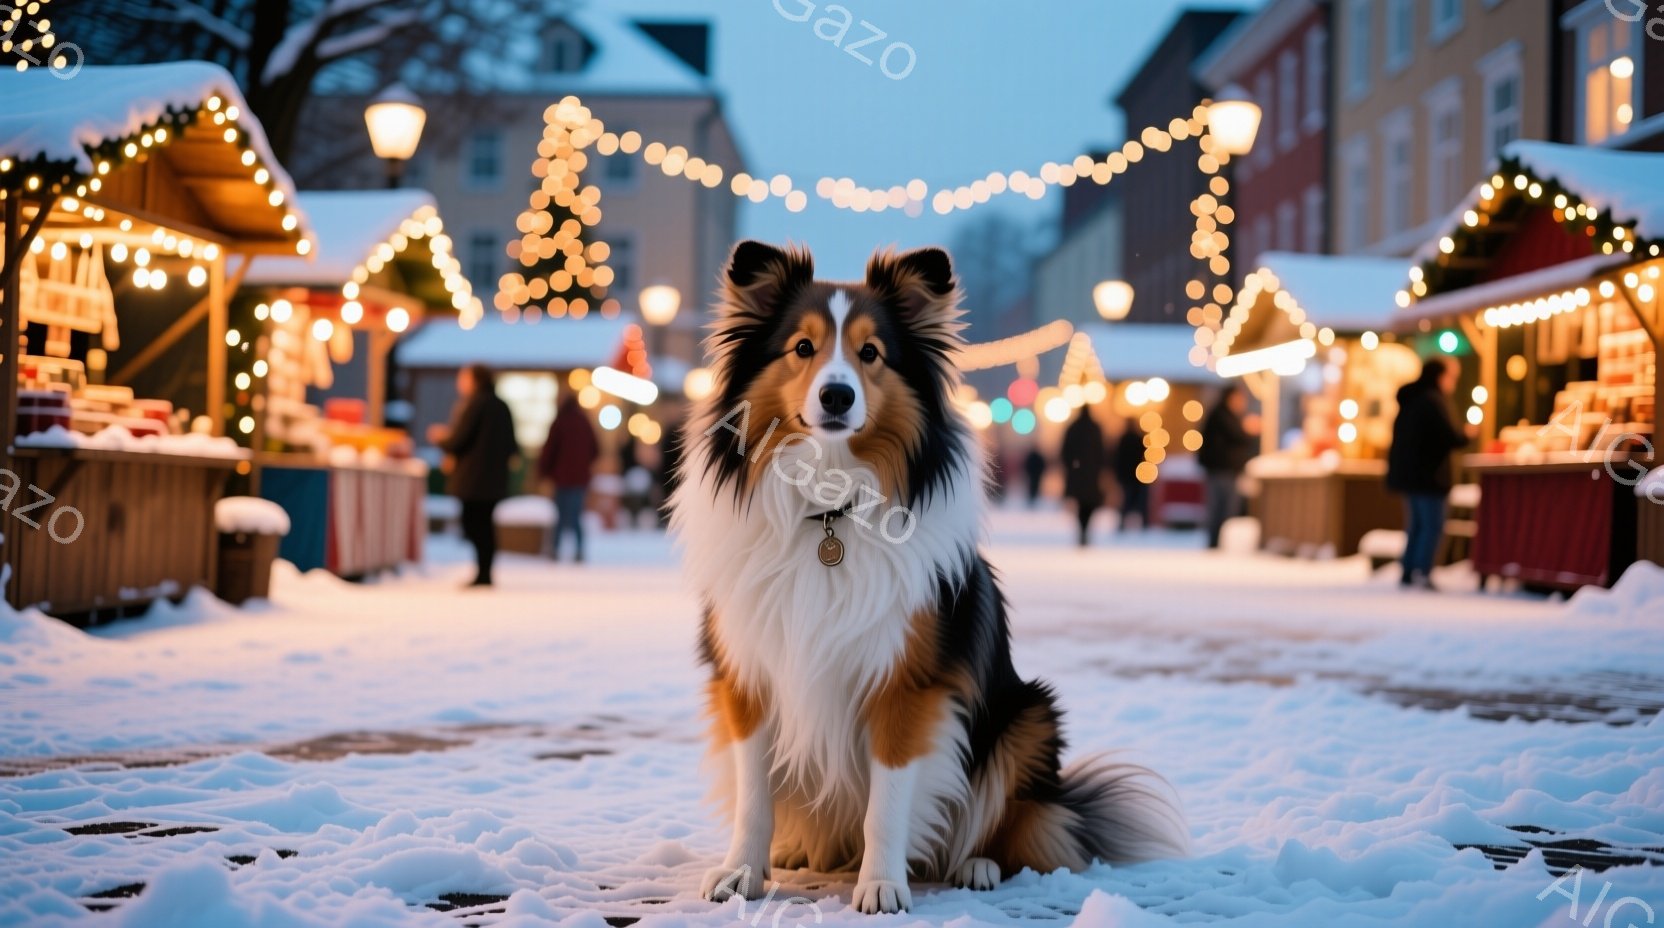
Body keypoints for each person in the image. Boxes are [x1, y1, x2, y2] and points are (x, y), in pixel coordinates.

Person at [1387, 356, 1474, 590]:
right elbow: (1449, 436)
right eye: (1451, 377)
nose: (1453, 382)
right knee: (1431, 526)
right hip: (1430, 476)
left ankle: (1408, 570)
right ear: (1440, 376)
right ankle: (1422, 572)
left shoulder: (1411, 399)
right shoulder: (1433, 401)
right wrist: (1467, 434)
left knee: (1416, 525)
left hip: (1410, 475)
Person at [430, 364, 518, 587]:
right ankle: (485, 572)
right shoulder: (502, 406)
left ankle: (483, 573)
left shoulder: (475, 404)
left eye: (463, 378)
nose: (460, 383)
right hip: (494, 479)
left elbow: (459, 440)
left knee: (474, 524)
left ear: (474, 380)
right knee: (485, 524)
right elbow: (512, 445)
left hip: (474, 479)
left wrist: (441, 439)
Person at [537, 393, 599, 562]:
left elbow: (549, 450)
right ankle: (579, 550)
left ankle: (555, 549)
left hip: (561, 477)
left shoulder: (559, 422)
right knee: (576, 516)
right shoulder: (584, 423)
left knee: (559, 515)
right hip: (580, 478)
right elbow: (595, 449)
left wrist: (543, 472)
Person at [1198, 384, 1260, 549]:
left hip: (1223, 469)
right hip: (1222, 470)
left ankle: (1217, 542)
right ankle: (1217, 542)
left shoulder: (1222, 415)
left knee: (1222, 507)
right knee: (1223, 507)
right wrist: (1248, 430)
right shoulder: (1223, 416)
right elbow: (1237, 437)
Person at [1060, 407, 1106, 546]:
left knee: (1080, 504)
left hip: (1077, 474)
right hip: (1091, 475)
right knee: (1089, 505)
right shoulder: (1095, 428)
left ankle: (1082, 529)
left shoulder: (1073, 428)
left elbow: (1065, 451)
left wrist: (1070, 467)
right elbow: (1101, 451)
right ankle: (1085, 529)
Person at [1113, 420, 1149, 532]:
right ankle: (1144, 523)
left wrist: (1118, 474)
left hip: (1126, 475)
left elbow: (1117, 458)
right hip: (1138, 474)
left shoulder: (1123, 439)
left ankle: (1122, 523)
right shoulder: (1139, 438)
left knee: (1126, 500)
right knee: (1140, 501)